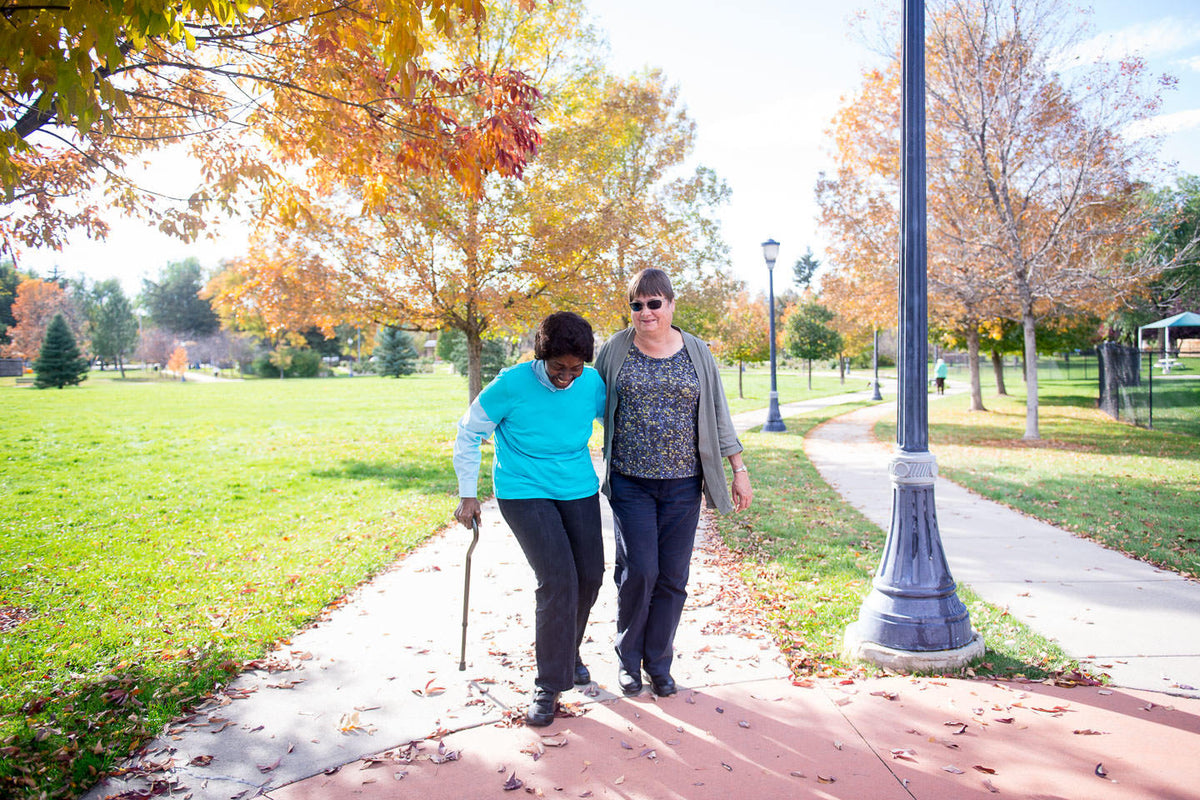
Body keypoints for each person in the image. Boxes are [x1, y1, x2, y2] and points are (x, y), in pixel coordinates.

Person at [596, 268, 752, 698]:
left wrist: (739, 470)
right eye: (637, 305)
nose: (645, 312)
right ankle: (628, 661)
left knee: (672, 577)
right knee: (640, 571)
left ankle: (658, 663)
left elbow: (719, 413)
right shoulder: (615, 350)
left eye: (654, 303)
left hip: (684, 484)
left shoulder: (697, 351)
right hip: (631, 482)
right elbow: (585, 399)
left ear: (670, 304)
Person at [452, 312, 606, 727]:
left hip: (576, 486)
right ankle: (549, 685)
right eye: (559, 367)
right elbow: (468, 433)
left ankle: (568, 650)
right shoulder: (511, 385)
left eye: (576, 368)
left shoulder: (591, 384)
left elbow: (614, 424)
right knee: (558, 579)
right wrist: (469, 493)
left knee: (590, 576)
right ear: (542, 355)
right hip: (523, 490)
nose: (567, 377)